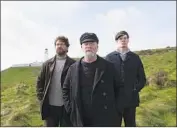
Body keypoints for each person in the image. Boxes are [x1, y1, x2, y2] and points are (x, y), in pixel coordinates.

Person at [62, 32, 122, 127]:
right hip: (82, 117)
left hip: (105, 117)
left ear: (97, 47)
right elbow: (65, 90)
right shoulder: (73, 68)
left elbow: (119, 89)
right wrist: (71, 109)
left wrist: (117, 110)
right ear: (82, 47)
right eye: (86, 44)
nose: (88, 46)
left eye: (92, 43)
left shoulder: (109, 67)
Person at [105, 31, 146, 127]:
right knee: (114, 124)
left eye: (125, 38)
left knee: (130, 124)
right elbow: (105, 79)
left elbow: (142, 79)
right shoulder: (109, 58)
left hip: (131, 99)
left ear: (128, 40)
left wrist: (134, 90)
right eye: (120, 38)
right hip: (114, 100)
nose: (123, 40)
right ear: (116, 41)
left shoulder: (135, 57)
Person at [36, 36, 76, 127]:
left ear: (67, 47)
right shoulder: (47, 64)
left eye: (62, 44)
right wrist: (41, 98)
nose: (59, 46)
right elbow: (39, 81)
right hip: (50, 107)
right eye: (57, 44)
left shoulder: (73, 64)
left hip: (66, 107)